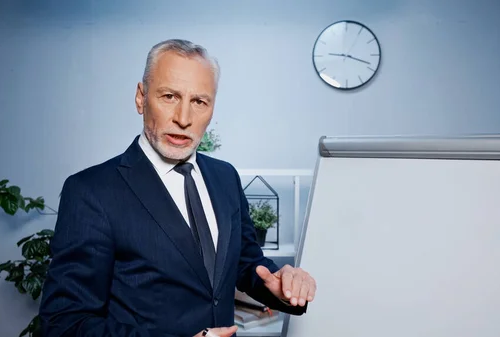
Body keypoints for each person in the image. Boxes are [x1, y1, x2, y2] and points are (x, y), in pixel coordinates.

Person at [39, 39, 317, 337]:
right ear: (140, 98)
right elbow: (64, 323)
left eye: (199, 102)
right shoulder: (91, 191)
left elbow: (244, 262)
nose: (184, 119)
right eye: (170, 96)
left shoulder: (225, 177)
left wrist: (278, 283)